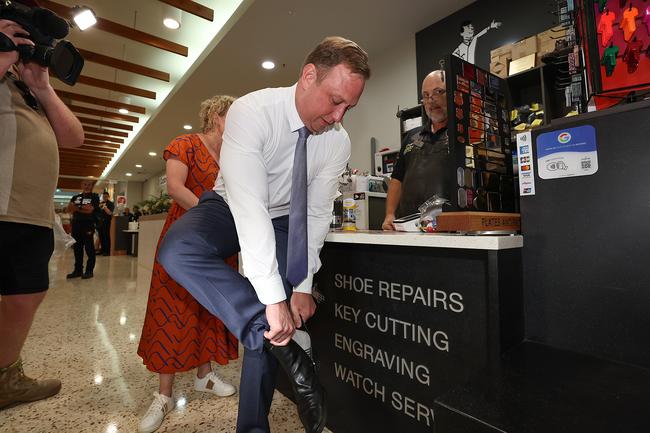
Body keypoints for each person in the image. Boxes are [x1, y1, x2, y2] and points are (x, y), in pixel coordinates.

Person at [157, 36, 370, 433]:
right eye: (334, 100)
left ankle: (252, 426)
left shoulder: (337, 141)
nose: (339, 116)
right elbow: (249, 205)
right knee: (178, 250)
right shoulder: (252, 110)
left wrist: (302, 285)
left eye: (348, 107)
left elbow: (317, 211)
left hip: (287, 217)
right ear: (309, 76)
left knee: (271, 322)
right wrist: (273, 300)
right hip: (230, 205)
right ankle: (281, 341)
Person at [137, 95, 239, 433]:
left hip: (220, 240)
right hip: (186, 235)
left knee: (210, 306)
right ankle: (164, 394)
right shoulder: (186, 144)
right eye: (233, 116)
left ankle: (204, 376)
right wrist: (211, 216)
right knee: (173, 308)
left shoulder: (235, 155)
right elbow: (177, 189)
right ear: (215, 115)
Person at [0, 18, 84, 409]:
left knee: (26, 293)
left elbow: (73, 137)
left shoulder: (27, 90)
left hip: (31, 215)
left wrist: (42, 86)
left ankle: (5, 377)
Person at [382, 70, 449, 230]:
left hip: (447, 228)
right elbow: (397, 179)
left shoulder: (461, 134)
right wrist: (390, 214)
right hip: (409, 228)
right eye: (426, 95)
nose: (431, 100)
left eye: (438, 92)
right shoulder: (412, 136)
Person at [66, 179, 100, 279]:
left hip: (88, 225)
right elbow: (68, 209)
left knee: (89, 248)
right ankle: (78, 270)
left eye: (89, 185)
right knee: (77, 248)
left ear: (92, 186)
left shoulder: (94, 197)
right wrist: (82, 208)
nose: (87, 186)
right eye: (85, 184)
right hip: (76, 225)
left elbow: (90, 210)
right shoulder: (75, 197)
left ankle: (89, 271)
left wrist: (76, 208)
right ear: (82, 185)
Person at [98, 192, 114, 256]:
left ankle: (107, 251)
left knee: (106, 236)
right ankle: (102, 250)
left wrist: (105, 207)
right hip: (100, 222)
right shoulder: (100, 203)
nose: (104, 197)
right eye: (103, 196)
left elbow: (110, 213)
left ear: (108, 196)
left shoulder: (110, 204)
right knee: (101, 236)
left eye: (106, 196)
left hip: (106, 222)